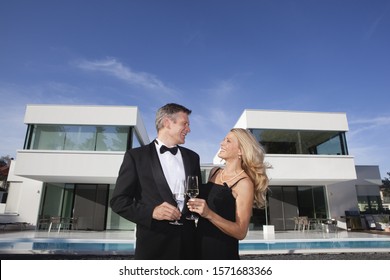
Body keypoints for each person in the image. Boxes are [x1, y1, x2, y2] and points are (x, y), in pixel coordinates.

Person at [110, 103, 202, 260]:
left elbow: (197, 196)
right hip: (153, 247)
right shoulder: (136, 157)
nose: (188, 129)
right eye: (184, 124)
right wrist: (151, 212)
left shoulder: (193, 158)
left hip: (188, 245)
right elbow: (119, 201)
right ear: (167, 123)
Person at [187, 128, 270, 259]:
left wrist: (208, 214)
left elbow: (241, 232)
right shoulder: (214, 172)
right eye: (224, 139)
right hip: (199, 246)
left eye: (228, 141)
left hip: (221, 252)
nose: (222, 143)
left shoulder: (244, 183)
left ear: (240, 151)